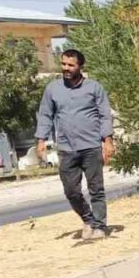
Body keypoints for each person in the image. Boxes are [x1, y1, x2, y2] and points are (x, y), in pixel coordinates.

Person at [35, 49, 115, 240]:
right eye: (63, 64)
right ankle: (88, 219)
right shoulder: (53, 89)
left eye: (71, 65)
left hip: (91, 146)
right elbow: (45, 114)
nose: (66, 68)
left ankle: (99, 226)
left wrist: (108, 140)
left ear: (80, 66)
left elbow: (104, 115)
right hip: (66, 148)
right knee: (71, 191)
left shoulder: (94, 88)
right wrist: (41, 140)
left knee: (96, 189)